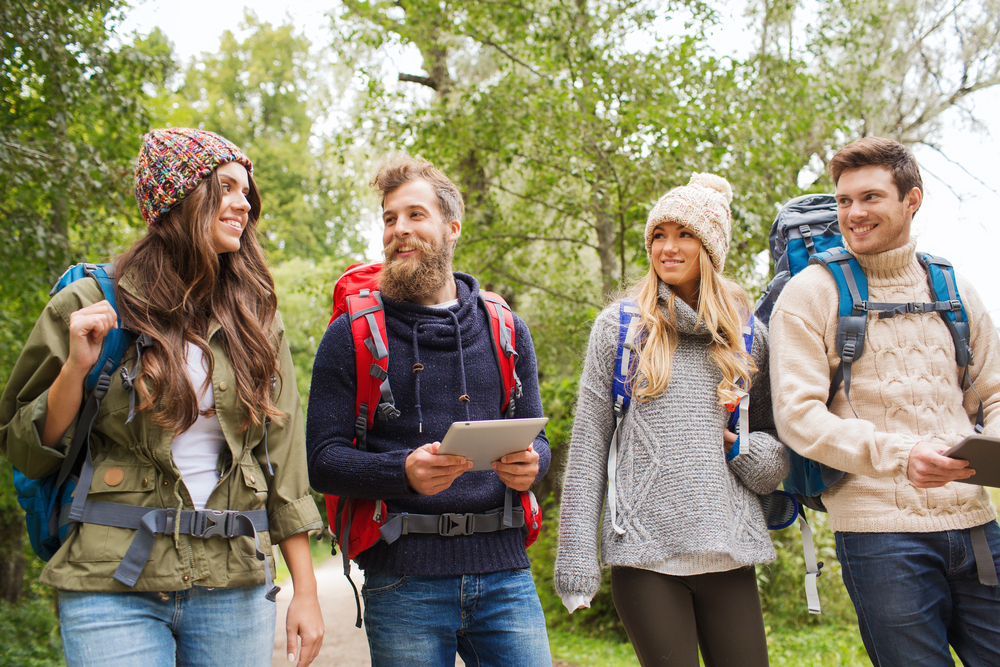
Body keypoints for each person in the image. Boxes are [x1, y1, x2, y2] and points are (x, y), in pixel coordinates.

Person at [0, 127, 325, 667]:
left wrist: (306, 592)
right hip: (110, 580)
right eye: (226, 187)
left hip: (235, 582)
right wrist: (78, 367)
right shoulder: (87, 302)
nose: (244, 203)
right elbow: (27, 448)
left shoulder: (257, 319)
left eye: (247, 192)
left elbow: (283, 460)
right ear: (179, 197)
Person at [306, 155, 552, 667]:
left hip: (506, 574)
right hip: (402, 580)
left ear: (451, 227)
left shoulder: (506, 330)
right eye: (390, 218)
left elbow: (539, 441)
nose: (400, 230)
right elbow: (323, 461)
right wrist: (403, 473)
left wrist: (534, 465)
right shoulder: (349, 337)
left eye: (416, 215)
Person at [769, 137, 1000, 666]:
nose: (853, 213)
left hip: (977, 526)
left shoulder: (955, 288)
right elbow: (799, 417)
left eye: (870, 197)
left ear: (911, 200)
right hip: (880, 535)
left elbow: (994, 391)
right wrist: (901, 456)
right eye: (844, 200)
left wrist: (988, 452)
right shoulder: (811, 293)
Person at [554, 173, 788, 667]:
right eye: (659, 235)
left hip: (729, 550)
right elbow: (588, 450)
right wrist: (576, 557)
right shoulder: (620, 329)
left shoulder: (749, 336)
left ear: (711, 246)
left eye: (684, 234)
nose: (668, 247)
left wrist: (744, 449)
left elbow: (772, 456)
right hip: (645, 556)